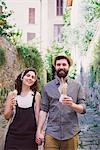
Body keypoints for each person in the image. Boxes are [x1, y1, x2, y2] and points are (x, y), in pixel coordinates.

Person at [36, 53, 86, 150]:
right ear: (55, 67)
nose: (61, 67)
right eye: (58, 65)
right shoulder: (47, 87)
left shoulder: (77, 86)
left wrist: (72, 105)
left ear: (68, 66)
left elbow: (83, 109)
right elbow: (44, 110)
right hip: (52, 133)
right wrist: (39, 130)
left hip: (71, 133)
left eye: (64, 64)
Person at [4, 68, 41, 150]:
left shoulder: (36, 95)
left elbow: (37, 117)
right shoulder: (12, 95)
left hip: (30, 137)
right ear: (22, 77)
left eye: (33, 77)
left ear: (34, 81)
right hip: (13, 136)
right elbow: (6, 116)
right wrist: (11, 106)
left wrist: (39, 132)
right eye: (28, 75)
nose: (30, 78)